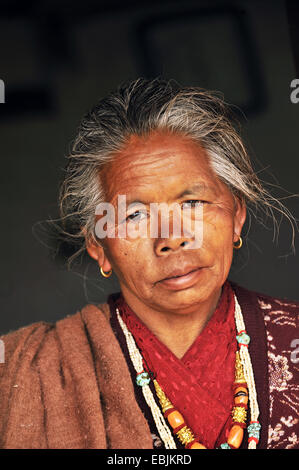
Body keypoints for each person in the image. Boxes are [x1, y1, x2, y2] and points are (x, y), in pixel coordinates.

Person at [0, 78, 298, 450]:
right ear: (99, 245)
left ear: (236, 214)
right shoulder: (25, 371)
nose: (171, 238)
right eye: (135, 215)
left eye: (193, 204)